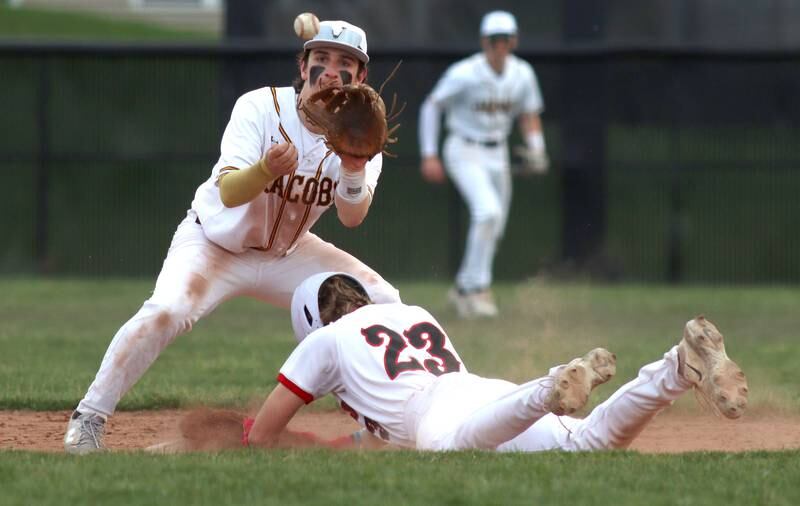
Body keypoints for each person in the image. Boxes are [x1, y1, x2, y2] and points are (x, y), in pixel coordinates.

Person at [63, 19, 401, 455]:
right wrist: (265, 170)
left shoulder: (359, 131)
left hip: (288, 253)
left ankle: (381, 427)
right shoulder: (260, 108)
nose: (331, 72)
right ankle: (89, 416)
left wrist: (354, 166)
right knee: (169, 308)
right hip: (214, 243)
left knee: (385, 303)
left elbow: (352, 217)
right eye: (321, 60)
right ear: (303, 67)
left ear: (361, 77)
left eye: (344, 64)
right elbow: (229, 191)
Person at [225, 272, 748, 452]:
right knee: (588, 442)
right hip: (478, 389)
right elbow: (374, 432)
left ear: (308, 322)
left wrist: (230, 439)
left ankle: (551, 387)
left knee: (455, 447)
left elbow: (265, 435)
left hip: (435, 414)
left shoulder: (323, 341)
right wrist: (344, 446)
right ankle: (677, 369)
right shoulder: (410, 312)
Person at [418, 10, 549, 318]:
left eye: (505, 39)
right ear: (484, 42)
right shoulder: (465, 73)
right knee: (487, 212)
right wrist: (429, 153)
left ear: (513, 41)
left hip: (497, 151)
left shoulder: (522, 74)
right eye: (494, 40)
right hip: (464, 147)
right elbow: (431, 106)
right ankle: (478, 290)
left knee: (495, 225)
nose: (499, 46)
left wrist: (537, 149)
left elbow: (528, 114)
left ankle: (463, 287)